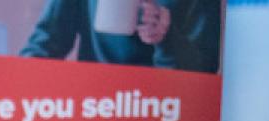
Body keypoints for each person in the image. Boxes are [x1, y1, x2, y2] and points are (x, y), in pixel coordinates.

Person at [20, 0, 221, 74]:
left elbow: (204, 74)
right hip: (95, 111)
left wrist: (166, 39)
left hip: (160, 120)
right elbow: (42, 47)